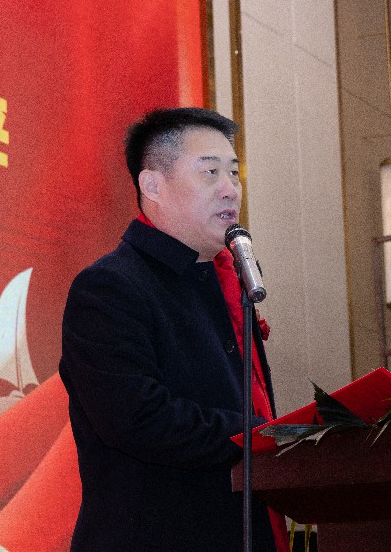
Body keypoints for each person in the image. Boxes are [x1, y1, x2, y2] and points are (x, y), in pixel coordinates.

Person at [59, 107, 286, 551]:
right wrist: (261, 435)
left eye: (234, 172)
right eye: (210, 172)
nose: (230, 188)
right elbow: (138, 418)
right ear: (152, 185)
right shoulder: (109, 287)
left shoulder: (230, 281)